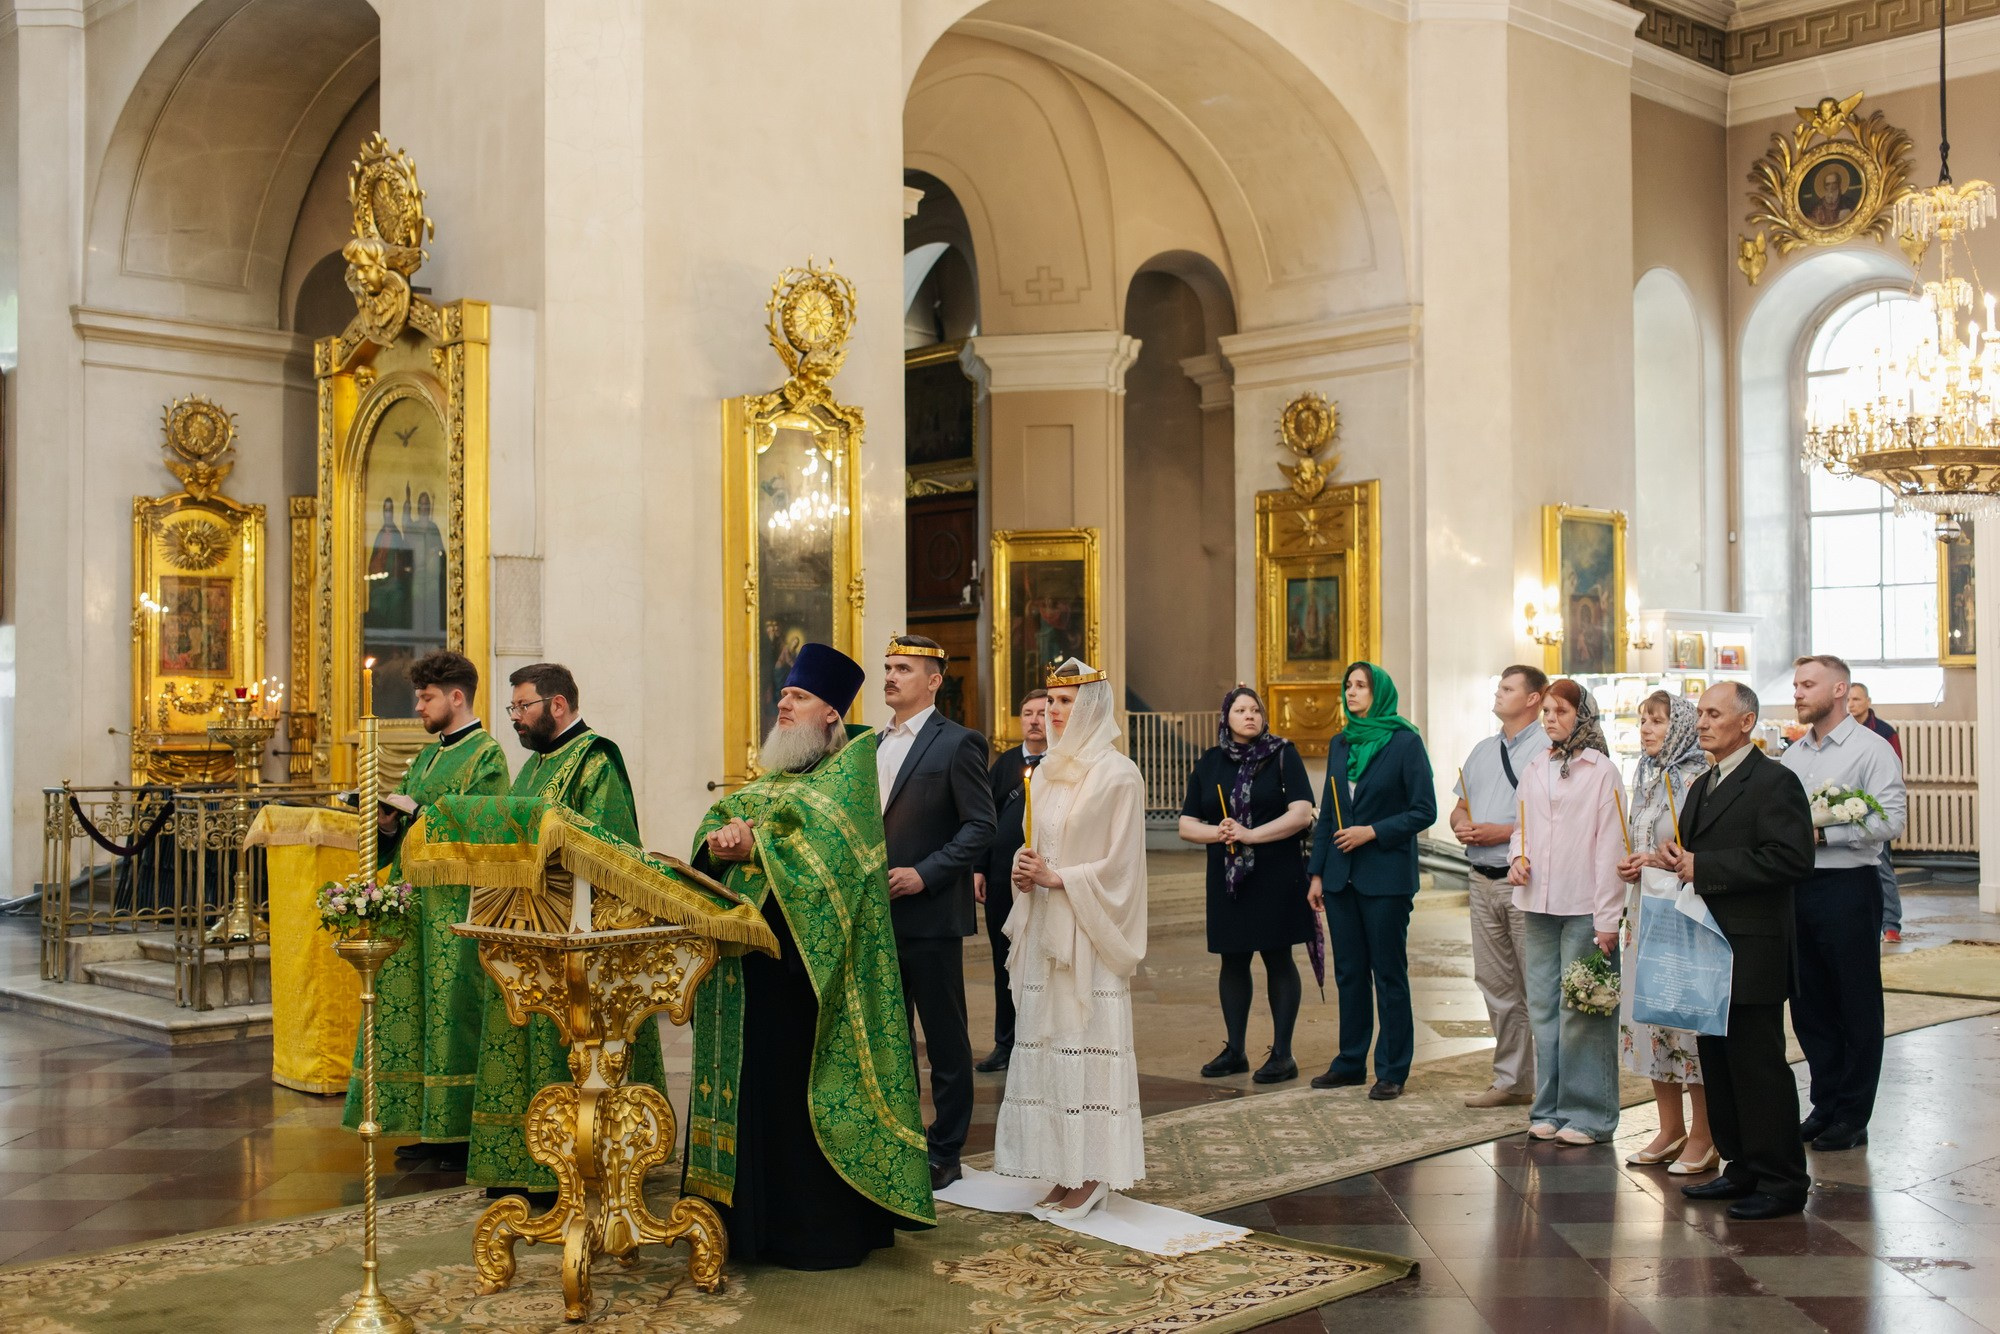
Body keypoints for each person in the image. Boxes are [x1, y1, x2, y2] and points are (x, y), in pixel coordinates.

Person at [687, 643, 935, 1269]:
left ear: (831, 712)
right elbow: (720, 822)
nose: (784, 704)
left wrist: (759, 846)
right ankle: (743, 1227)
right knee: (752, 1093)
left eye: (797, 698)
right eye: (784, 696)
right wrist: (718, 842)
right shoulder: (770, 777)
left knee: (795, 1096)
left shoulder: (848, 773)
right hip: (747, 969)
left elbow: (829, 857)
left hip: (810, 978)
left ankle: (807, 1230)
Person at [466, 662, 667, 1200]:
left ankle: (579, 1164)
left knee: (567, 1051)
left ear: (557, 705)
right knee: (519, 1039)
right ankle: (526, 1160)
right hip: (524, 930)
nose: (515, 719)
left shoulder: (595, 760)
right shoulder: (533, 767)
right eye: (512, 708)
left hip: (574, 937)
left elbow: (610, 850)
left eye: (523, 706)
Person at [343, 650, 510, 1171]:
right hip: (415, 903)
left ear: (456, 697)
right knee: (412, 1012)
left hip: (456, 909)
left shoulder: (488, 755)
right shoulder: (430, 756)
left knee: (452, 1013)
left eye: (426, 697)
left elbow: (488, 823)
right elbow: (412, 825)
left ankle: (458, 1132)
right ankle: (424, 1124)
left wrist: (425, 813)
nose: (418, 706)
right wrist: (390, 823)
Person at [993, 658, 1147, 1218]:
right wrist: (1024, 864)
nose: (1054, 712)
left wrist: (1060, 878)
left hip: (1087, 936)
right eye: (1050, 702)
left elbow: (1123, 866)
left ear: (1091, 707)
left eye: (1064, 702)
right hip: (1045, 931)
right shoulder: (1051, 771)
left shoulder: (1118, 774)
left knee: (1084, 1045)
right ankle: (1063, 1168)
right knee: (1050, 1048)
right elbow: (1042, 841)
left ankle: (1092, 1174)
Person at [1667, 682, 1817, 1220]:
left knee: (1757, 1066)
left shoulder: (1775, 781)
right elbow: (1697, 853)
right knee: (1719, 1062)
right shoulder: (1702, 783)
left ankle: (1782, 1180)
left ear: (1747, 722)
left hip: (1752, 945)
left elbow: (1792, 859)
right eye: (1700, 714)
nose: (1701, 723)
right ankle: (1741, 1166)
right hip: (1708, 942)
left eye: (1714, 714)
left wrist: (1704, 867)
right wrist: (1671, 861)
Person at [878, 634, 998, 1191]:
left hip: (929, 916)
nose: (891, 676)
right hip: (876, 915)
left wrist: (925, 873)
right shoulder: (870, 744)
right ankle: (897, 1136)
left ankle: (946, 1148)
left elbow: (981, 826)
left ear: (933, 680)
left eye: (903, 668)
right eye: (887, 667)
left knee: (945, 1039)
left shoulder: (958, 743)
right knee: (889, 1035)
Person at [1781, 655, 1908, 1152]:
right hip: (1797, 887)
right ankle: (1825, 1102)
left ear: (1839, 691)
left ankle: (1853, 1114)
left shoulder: (1871, 750)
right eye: (1795, 685)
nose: (1797, 693)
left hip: (1849, 886)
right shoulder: (1794, 755)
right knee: (1808, 1001)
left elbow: (1890, 820)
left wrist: (1825, 833)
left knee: (1853, 1001)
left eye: (1807, 685)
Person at [1306, 662, 1435, 1101]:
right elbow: (1329, 811)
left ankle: (1392, 1069)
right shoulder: (1341, 743)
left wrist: (1372, 831)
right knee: (1349, 974)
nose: (1352, 691)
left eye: (1360, 685)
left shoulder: (1405, 742)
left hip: (1386, 877)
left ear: (1378, 692)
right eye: (1348, 685)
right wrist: (1317, 873)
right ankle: (1349, 1062)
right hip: (1341, 878)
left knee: (1388, 975)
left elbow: (1424, 810)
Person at [1507, 679, 1624, 1145]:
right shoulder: (1536, 765)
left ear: (1583, 715)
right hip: (1537, 903)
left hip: (1584, 906)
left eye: (1560, 710)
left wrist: (1607, 918)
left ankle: (1590, 1114)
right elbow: (1522, 826)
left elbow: (1610, 845)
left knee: (1583, 1007)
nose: (1550, 718)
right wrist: (1517, 857)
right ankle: (1550, 1109)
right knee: (1543, 1008)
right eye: (1547, 711)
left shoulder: (1602, 771)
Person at [1179, 686, 1315, 1083]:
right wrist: (1220, 834)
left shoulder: (1282, 754)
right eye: (1240, 710)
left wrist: (1251, 835)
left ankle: (1283, 1055)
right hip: (1228, 875)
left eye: (1255, 709)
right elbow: (1187, 824)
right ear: (1227, 718)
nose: (1249, 716)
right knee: (1233, 959)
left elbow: (1302, 813)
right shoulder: (1209, 761)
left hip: (1276, 870)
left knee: (1277, 957)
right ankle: (1235, 1050)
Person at [1614, 692, 1714, 1174]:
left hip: (1684, 913)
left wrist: (1656, 859)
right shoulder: (1645, 774)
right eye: (1642, 720)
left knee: (1688, 1021)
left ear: (1679, 726)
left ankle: (1705, 1134)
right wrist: (1634, 863)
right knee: (1651, 1021)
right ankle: (1669, 1127)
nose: (1647, 729)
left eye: (1657, 721)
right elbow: (1641, 838)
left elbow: (1698, 848)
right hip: (1645, 909)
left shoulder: (1698, 777)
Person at [1448, 664, 1547, 1109]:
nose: (1498, 694)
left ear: (1533, 698)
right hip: (1479, 879)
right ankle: (1511, 1079)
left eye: (1508, 688)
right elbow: (1460, 805)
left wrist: (1501, 833)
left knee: (1536, 984)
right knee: (1495, 983)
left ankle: (1549, 1086)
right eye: (1498, 687)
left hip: (1522, 880)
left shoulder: (1547, 749)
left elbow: (1551, 821)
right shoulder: (1483, 750)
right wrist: (1463, 824)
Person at [974, 689, 1051, 1074]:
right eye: (1027, 712)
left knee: (1042, 960)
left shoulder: (1060, 763)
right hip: (1002, 878)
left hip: (1045, 879)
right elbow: (983, 819)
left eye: (1042, 712)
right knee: (1004, 961)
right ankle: (1006, 1043)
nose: (1035, 719)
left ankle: (1040, 1041)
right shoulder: (1004, 764)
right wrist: (978, 868)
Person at [1848, 682, 1906, 943]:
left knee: (1882, 866)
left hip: (1874, 807)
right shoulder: (1841, 732)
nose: (1852, 704)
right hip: (1844, 805)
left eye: (1857, 699)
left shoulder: (1884, 732)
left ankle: (1891, 924)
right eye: (1848, 699)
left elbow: (1894, 771)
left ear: (1868, 702)